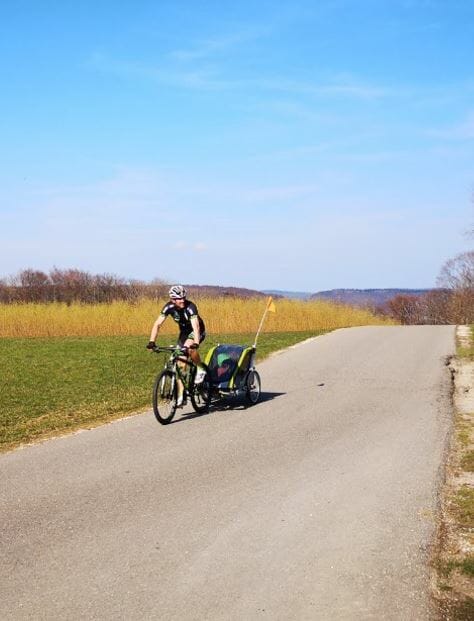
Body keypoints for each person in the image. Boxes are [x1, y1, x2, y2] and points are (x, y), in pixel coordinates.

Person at [147, 285, 207, 406]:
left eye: (184, 297)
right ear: (172, 300)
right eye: (179, 298)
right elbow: (157, 324)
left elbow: (196, 326)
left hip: (197, 332)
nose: (182, 300)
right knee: (180, 364)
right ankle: (181, 395)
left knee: (189, 348)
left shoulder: (191, 307)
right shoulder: (168, 307)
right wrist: (152, 342)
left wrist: (195, 343)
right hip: (184, 333)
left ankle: (200, 368)